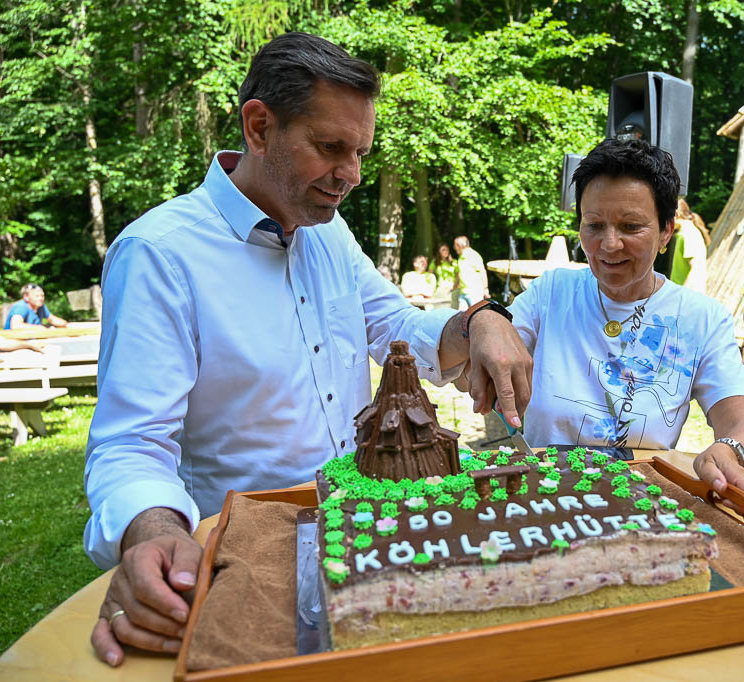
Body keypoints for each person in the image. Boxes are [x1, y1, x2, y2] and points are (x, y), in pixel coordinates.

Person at [85, 32, 532, 667]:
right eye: (330, 149)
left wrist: (482, 319)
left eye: (359, 153)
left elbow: (396, 328)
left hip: (364, 536)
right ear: (259, 126)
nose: (349, 176)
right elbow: (131, 445)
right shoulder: (160, 253)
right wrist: (156, 536)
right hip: (241, 565)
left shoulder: (328, 230)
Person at [507, 138, 744, 516]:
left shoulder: (700, 317)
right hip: (542, 505)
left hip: (639, 510)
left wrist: (731, 449)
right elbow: (494, 346)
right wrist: (483, 327)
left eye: (631, 227)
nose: (609, 244)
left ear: (667, 231)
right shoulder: (550, 293)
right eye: (594, 225)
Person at [669, 198, 710, 292]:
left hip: (686, 300)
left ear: (675, 214)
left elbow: (696, 269)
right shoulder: (685, 232)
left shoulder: (689, 233)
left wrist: (681, 296)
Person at [453, 235, 488, 309]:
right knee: (461, 318)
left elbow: (482, 272)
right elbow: (460, 274)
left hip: (474, 292)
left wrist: (485, 288)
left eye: (455, 245)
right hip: (463, 293)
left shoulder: (473, 255)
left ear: (460, 245)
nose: (454, 248)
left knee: (476, 317)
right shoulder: (460, 257)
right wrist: (454, 287)